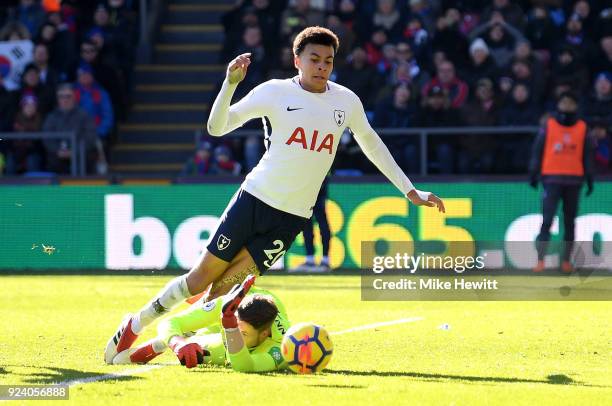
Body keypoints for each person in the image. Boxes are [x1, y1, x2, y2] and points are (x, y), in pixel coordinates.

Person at [105, 26, 445, 364]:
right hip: (253, 199)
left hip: (291, 218)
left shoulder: (346, 101)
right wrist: (230, 84)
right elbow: (217, 127)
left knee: (224, 294)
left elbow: (372, 144)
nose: (322, 67)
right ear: (297, 60)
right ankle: (134, 326)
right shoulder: (274, 92)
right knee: (200, 279)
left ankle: (155, 349)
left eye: (328, 60)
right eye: (314, 59)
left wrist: (410, 190)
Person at [113, 275, 290, 372]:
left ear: (264, 334)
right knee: (114, 359)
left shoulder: (281, 346)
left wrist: (229, 327)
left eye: (242, 334)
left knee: (204, 354)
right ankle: (138, 325)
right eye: (235, 328)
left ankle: (170, 340)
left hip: (223, 323)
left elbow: (245, 366)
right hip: (223, 298)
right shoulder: (228, 305)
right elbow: (170, 322)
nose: (232, 338)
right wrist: (177, 344)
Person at [529, 92, 595, 273]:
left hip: (574, 180)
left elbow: (588, 155)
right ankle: (540, 260)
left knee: (570, 222)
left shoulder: (583, 128)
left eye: (570, 102)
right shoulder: (548, 126)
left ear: (576, 106)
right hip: (552, 179)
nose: (566, 106)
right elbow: (538, 150)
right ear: (558, 105)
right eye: (563, 102)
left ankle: (566, 261)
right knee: (547, 220)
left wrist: (590, 177)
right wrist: (533, 172)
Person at [291, 176, 331, 272]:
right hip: (306, 192)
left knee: (322, 224)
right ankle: (310, 260)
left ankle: (325, 261)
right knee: (307, 226)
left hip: (318, 189)